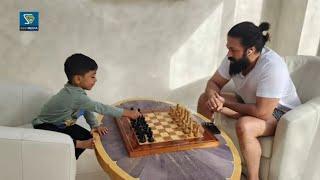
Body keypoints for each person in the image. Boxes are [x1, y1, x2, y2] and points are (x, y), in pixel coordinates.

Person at [197, 22, 301, 180]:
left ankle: (253, 178)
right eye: (228, 47)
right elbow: (214, 83)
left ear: (251, 50)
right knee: (205, 99)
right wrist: (214, 97)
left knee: (245, 126)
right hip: (249, 102)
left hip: (280, 112)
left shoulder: (272, 66)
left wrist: (224, 103)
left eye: (233, 49)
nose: (229, 53)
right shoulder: (233, 58)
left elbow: (262, 112)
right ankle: (209, 148)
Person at [32, 53, 140, 159]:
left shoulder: (77, 93)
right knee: (70, 141)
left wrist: (95, 125)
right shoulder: (75, 96)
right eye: (92, 76)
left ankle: (68, 155)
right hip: (45, 126)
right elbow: (101, 108)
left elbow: (85, 109)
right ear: (78, 79)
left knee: (87, 136)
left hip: (63, 124)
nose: (96, 80)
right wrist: (128, 113)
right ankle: (75, 146)